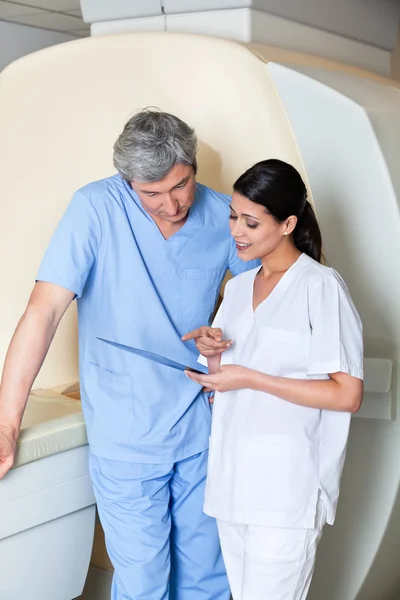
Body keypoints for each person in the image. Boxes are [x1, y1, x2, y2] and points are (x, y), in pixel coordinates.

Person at [0, 109, 259, 600]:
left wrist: (226, 348)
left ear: (194, 167)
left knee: (208, 575)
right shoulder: (94, 208)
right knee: (144, 582)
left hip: (200, 424)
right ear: (127, 181)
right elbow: (43, 313)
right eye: (151, 193)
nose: (172, 205)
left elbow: (269, 299)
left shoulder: (223, 215)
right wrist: (6, 422)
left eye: (181, 185)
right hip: (127, 430)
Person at [183, 159, 364, 600]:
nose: (236, 231)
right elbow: (225, 384)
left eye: (250, 221)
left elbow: (348, 394)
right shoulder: (240, 288)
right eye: (232, 217)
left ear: (287, 224)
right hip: (231, 484)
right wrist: (213, 357)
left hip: (285, 492)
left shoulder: (319, 287)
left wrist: (251, 378)